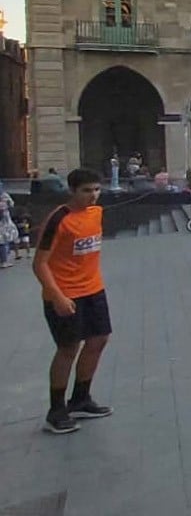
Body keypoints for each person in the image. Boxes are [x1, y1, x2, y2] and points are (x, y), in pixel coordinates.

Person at [32, 168, 111, 435]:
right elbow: (39, 263)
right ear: (73, 191)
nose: (93, 196)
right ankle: (56, 410)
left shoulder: (96, 213)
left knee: (98, 340)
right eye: (86, 191)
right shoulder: (58, 220)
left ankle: (81, 398)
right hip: (64, 293)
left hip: (93, 290)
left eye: (96, 190)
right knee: (68, 348)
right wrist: (57, 296)